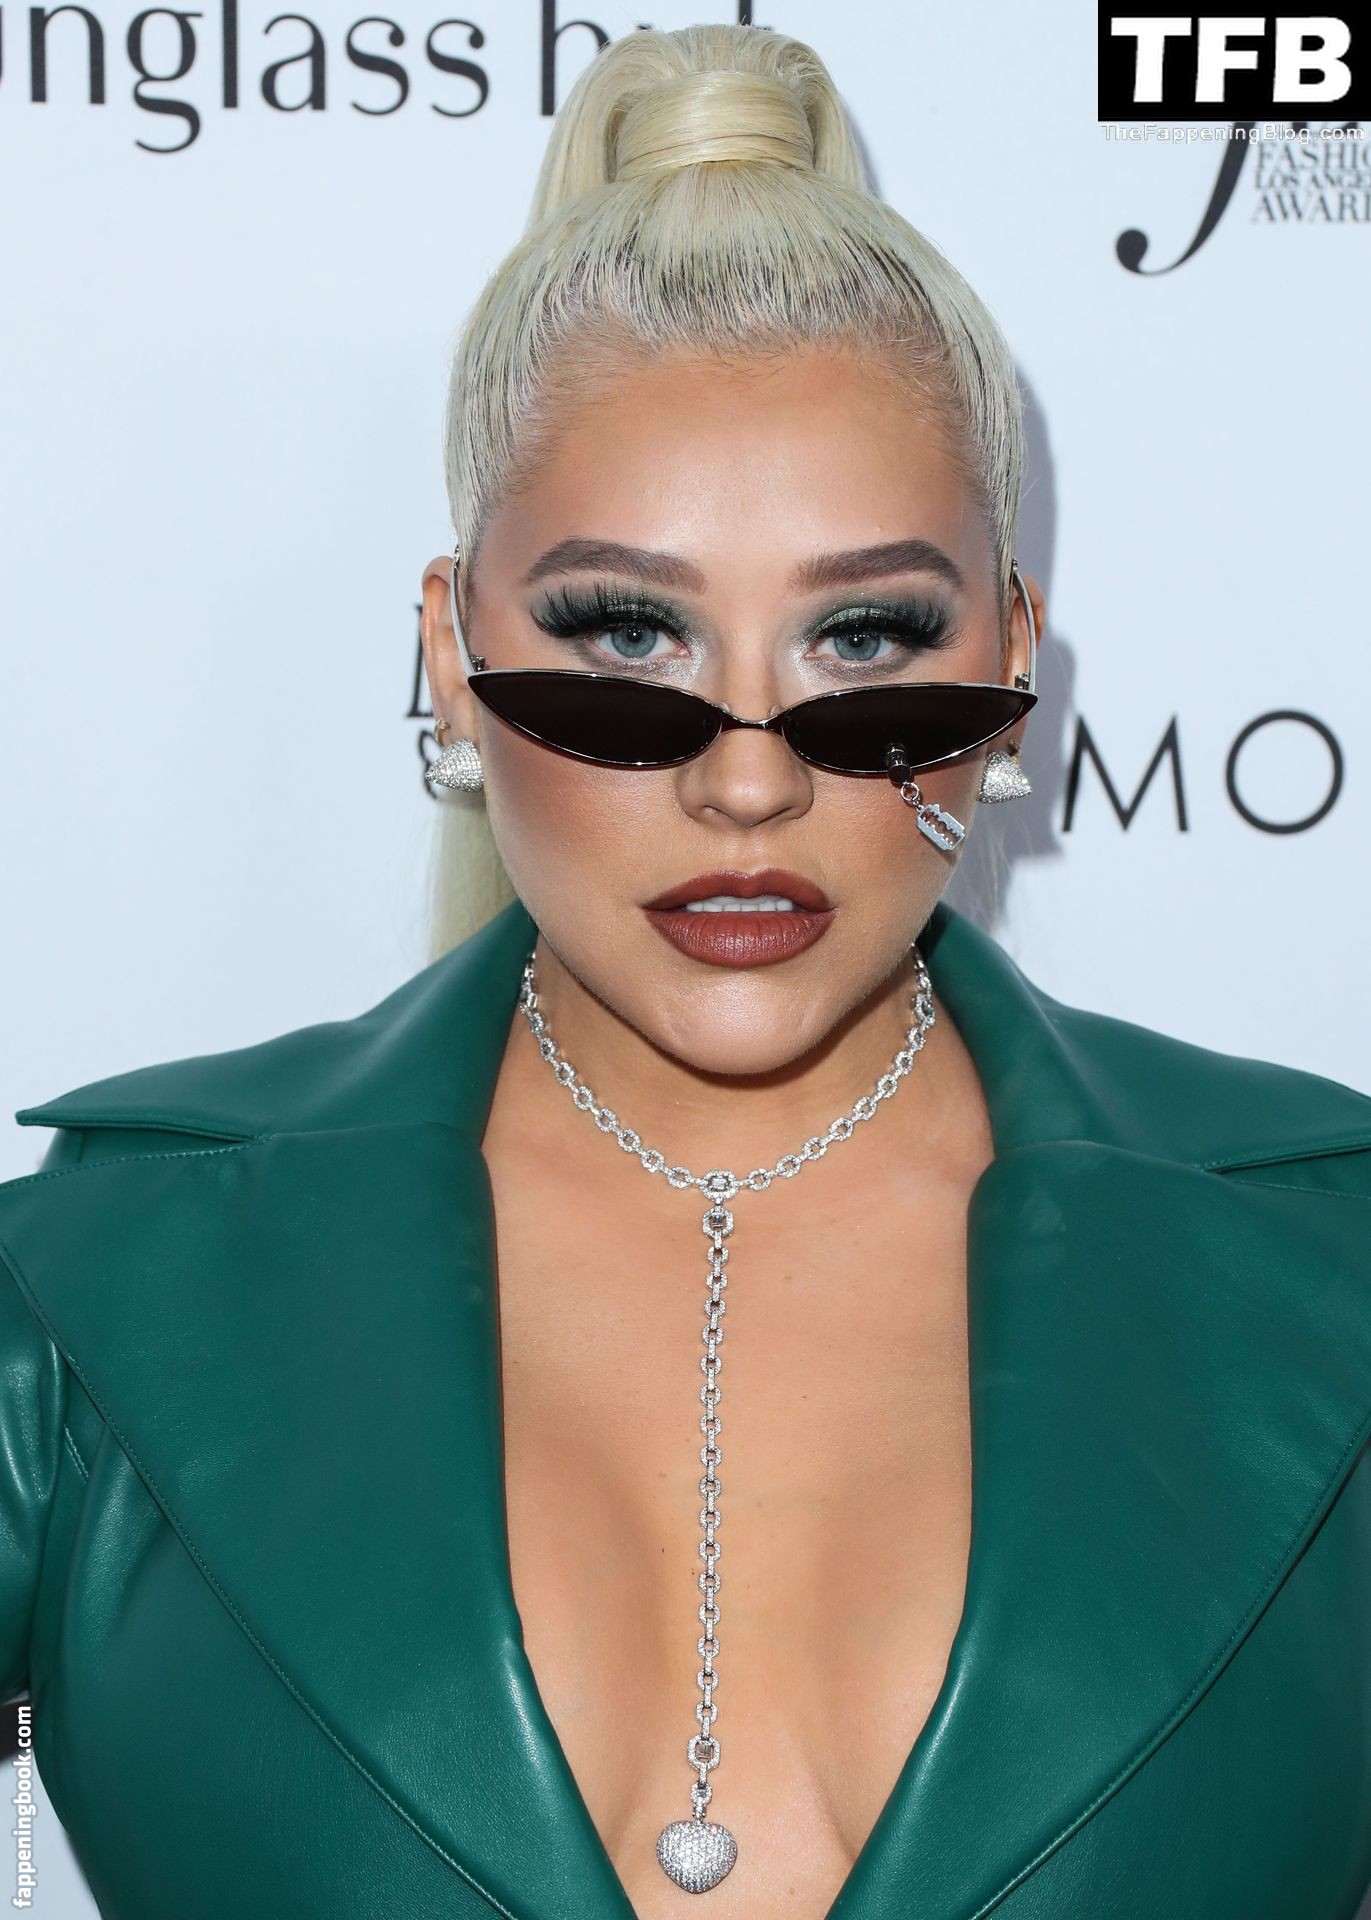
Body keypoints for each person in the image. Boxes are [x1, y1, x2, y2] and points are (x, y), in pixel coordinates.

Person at [3, 23, 1370, 1920]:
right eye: (628, 638)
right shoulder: (89, 1295)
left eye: (866, 638)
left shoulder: (1333, 1270)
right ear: (452, 656)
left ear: (1011, 661)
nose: (746, 779)